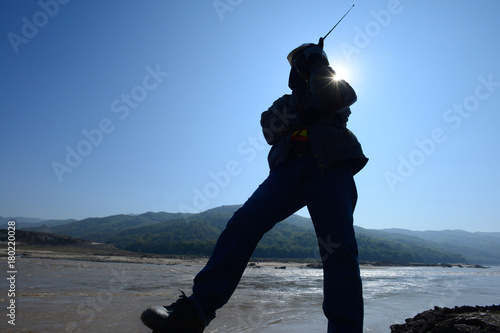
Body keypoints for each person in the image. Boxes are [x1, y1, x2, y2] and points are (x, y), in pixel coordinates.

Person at [141, 40, 368, 333]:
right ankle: (195, 312)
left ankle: (346, 330)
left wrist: (318, 66)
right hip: (288, 169)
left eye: (304, 61)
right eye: (298, 63)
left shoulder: (335, 85)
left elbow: (337, 99)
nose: (299, 67)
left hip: (330, 166)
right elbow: (270, 130)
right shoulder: (285, 102)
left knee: (337, 248)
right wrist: (303, 109)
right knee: (242, 225)